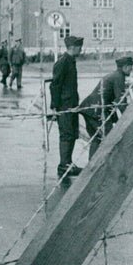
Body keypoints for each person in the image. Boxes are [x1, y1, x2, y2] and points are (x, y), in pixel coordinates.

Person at [79, 56, 133, 159]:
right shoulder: (119, 77)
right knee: (109, 138)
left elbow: (111, 100)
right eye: (131, 67)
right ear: (125, 67)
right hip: (97, 111)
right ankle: (104, 165)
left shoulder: (113, 75)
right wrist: (128, 118)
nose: (132, 69)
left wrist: (118, 119)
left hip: (89, 109)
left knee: (97, 139)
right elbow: (120, 100)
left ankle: (92, 166)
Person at [50, 35, 83, 178]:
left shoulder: (71, 61)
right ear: (73, 47)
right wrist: (54, 107)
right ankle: (64, 165)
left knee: (72, 133)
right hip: (64, 105)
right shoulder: (62, 63)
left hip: (71, 104)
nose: (81, 49)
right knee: (66, 134)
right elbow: (55, 85)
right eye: (79, 47)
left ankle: (68, 163)